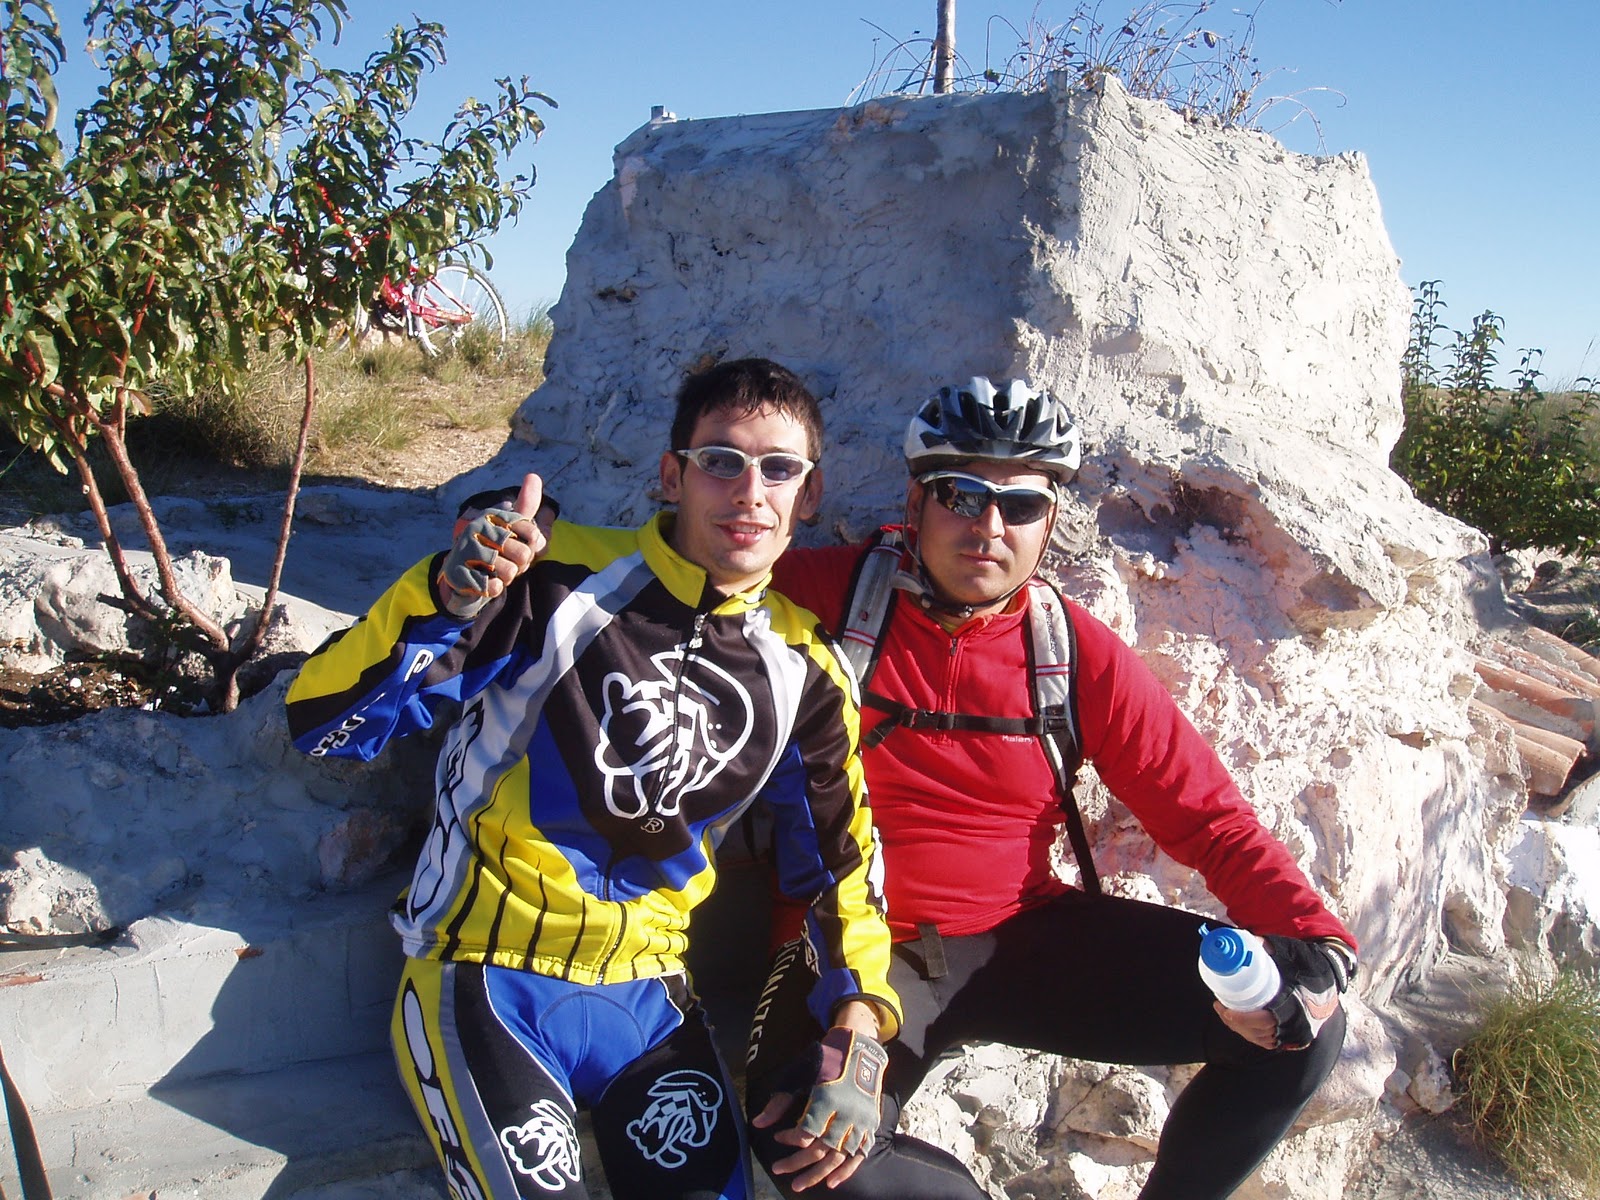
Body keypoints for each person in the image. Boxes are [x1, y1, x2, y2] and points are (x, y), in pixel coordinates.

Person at [285, 357, 901, 1200]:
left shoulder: (808, 668)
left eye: (779, 468)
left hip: (649, 1002)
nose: (749, 492)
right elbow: (323, 720)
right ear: (672, 476)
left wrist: (860, 1025)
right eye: (721, 460)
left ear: (811, 492)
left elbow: (842, 867)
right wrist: (443, 600)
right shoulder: (549, 580)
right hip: (483, 973)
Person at [744, 376, 1359, 1200]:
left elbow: (1207, 817)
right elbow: (664, 586)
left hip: (1022, 936)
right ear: (916, 502)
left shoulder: (1069, 651)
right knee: (805, 1148)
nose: (988, 527)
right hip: (860, 953)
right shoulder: (819, 597)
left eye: (1022, 504)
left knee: (1298, 1033)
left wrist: (1317, 939)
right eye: (961, 496)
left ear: (1050, 519)